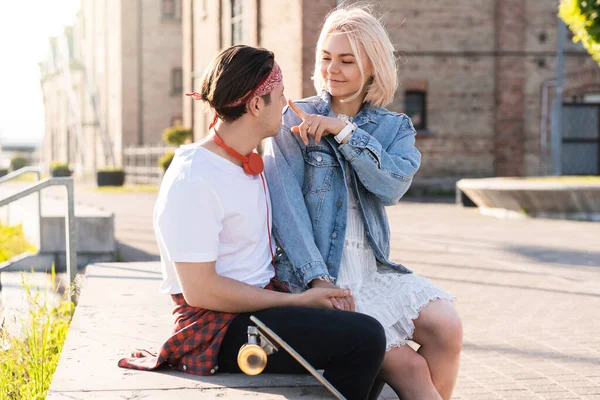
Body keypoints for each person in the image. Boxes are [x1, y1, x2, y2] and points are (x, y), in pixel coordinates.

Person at [117, 45, 387, 400]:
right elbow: (201, 290)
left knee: (380, 339)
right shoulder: (194, 176)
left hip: (259, 307)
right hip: (218, 326)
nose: (288, 104)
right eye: (280, 95)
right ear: (257, 105)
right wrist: (300, 302)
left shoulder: (246, 162)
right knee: (364, 338)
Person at [264, 6, 463, 400]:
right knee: (411, 370)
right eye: (325, 57)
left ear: (372, 67)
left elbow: (391, 187)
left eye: (346, 60)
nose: (331, 69)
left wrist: (346, 134)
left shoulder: (394, 128)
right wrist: (318, 278)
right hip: (320, 275)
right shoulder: (293, 119)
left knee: (447, 325)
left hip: (372, 272)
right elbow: (286, 208)